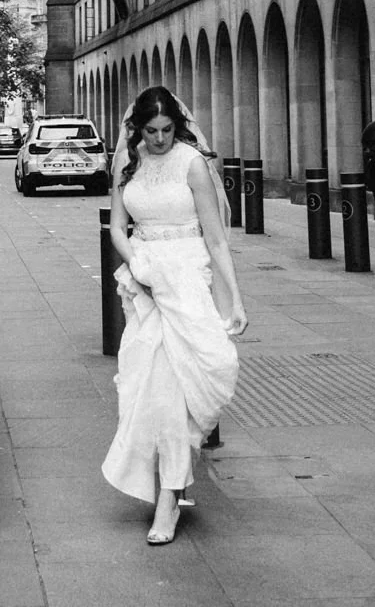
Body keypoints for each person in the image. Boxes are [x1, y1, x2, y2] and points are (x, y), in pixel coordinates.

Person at [101, 85, 245, 546]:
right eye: (151, 131)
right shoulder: (127, 163)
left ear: (176, 126)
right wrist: (137, 266)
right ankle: (169, 492)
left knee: (191, 383)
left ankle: (172, 491)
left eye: (166, 130)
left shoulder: (192, 163)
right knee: (154, 390)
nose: (159, 139)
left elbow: (216, 237)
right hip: (145, 281)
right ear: (138, 129)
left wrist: (235, 298)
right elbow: (117, 227)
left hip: (187, 277)